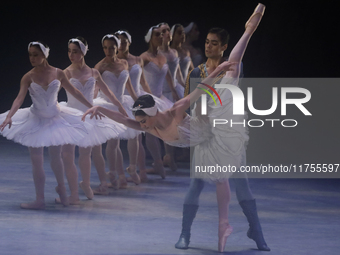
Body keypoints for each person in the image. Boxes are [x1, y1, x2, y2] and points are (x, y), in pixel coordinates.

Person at [82, 3, 265, 251]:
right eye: (140, 121)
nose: (142, 125)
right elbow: (123, 119)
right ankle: (195, 232)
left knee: (234, 179)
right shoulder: (145, 122)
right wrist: (99, 109)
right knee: (204, 182)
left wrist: (220, 69)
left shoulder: (172, 110)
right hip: (200, 134)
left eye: (144, 120)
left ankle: (250, 30)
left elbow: (196, 94)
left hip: (215, 126)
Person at [179, 6, 270, 252]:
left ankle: (257, 233)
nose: (208, 46)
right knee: (196, 184)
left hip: (228, 135)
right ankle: (185, 233)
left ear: (223, 47)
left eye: (214, 43)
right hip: (205, 135)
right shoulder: (196, 72)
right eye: (207, 42)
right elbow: (190, 104)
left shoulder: (231, 69)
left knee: (242, 184)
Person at [0, 41, 102, 209]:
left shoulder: (59, 73)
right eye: (30, 55)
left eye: (36, 54)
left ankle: (63, 193)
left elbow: (75, 91)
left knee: (56, 158)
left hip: (55, 119)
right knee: (37, 160)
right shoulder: (28, 76)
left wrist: (91, 106)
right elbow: (19, 98)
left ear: (44, 55)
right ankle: (39, 199)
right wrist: (9, 116)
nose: (32, 58)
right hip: (36, 119)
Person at [57, 37, 127, 202]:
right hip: (72, 115)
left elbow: (108, 92)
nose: (71, 55)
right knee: (67, 154)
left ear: (83, 52)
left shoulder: (93, 72)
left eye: (75, 51)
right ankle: (73, 191)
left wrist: (119, 106)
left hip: (89, 116)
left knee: (85, 153)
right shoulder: (66, 73)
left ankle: (86, 185)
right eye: (69, 51)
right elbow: (54, 91)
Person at [115, 29, 173, 182]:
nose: (121, 44)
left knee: (139, 136)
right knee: (120, 138)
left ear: (129, 42)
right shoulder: (114, 62)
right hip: (123, 99)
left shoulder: (137, 60)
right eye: (118, 41)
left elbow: (143, 81)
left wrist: (150, 97)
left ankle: (140, 171)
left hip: (136, 97)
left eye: (124, 41)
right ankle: (122, 173)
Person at [93, 34, 141, 190]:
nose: (108, 51)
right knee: (113, 142)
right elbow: (95, 89)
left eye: (111, 48)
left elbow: (129, 87)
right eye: (105, 47)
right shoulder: (99, 67)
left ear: (117, 47)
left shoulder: (124, 63)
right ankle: (114, 173)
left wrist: (138, 101)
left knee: (117, 141)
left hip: (122, 103)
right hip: (107, 105)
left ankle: (118, 175)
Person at [140, 24, 179, 178]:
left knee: (165, 129)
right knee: (150, 132)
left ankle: (165, 160)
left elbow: (168, 75)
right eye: (157, 35)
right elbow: (141, 78)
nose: (160, 37)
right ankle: (158, 163)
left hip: (160, 97)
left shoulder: (162, 57)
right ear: (150, 38)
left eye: (161, 35)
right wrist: (149, 97)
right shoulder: (144, 57)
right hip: (149, 97)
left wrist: (174, 91)